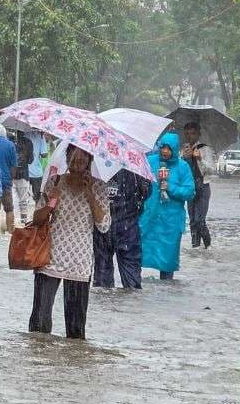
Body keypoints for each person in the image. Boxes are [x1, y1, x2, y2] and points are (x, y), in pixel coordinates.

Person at [27, 145, 110, 339]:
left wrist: (90, 194)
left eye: (81, 161)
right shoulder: (54, 182)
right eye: (73, 160)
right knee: (39, 321)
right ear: (67, 159)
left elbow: (104, 225)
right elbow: (37, 219)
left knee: (75, 330)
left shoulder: (99, 187)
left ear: (89, 161)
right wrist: (51, 202)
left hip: (79, 263)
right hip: (49, 257)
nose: (77, 165)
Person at [139, 132, 196, 281]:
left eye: (169, 148)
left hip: (170, 222)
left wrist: (170, 187)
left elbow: (190, 192)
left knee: (167, 260)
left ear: (175, 149)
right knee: (137, 253)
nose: (165, 151)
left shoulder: (183, 167)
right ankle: (134, 288)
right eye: (163, 147)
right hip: (148, 217)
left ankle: (166, 290)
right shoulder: (149, 161)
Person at [93, 170, 151, 290]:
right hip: (112, 227)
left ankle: (119, 307)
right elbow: (145, 194)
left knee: (106, 282)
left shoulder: (98, 164)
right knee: (105, 281)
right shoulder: (133, 165)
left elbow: (145, 192)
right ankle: (124, 307)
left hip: (121, 227)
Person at [181, 122, 215, 248]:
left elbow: (211, 170)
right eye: (187, 134)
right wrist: (183, 158)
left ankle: (208, 247)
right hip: (190, 188)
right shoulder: (183, 150)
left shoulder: (205, 149)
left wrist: (200, 158)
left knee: (200, 221)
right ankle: (195, 247)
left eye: (193, 133)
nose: (190, 136)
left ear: (198, 134)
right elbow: (179, 170)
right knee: (192, 222)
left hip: (203, 187)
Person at [11, 129, 36, 225]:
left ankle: (10, 220)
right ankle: (23, 220)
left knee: (11, 198)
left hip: (11, 174)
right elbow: (30, 160)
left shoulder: (11, 142)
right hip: (23, 174)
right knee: (23, 199)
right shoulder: (28, 142)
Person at [27, 130, 47, 198]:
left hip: (23, 171)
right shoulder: (40, 135)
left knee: (22, 198)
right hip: (36, 172)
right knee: (37, 197)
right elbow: (44, 154)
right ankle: (36, 206)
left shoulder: (22, 133)